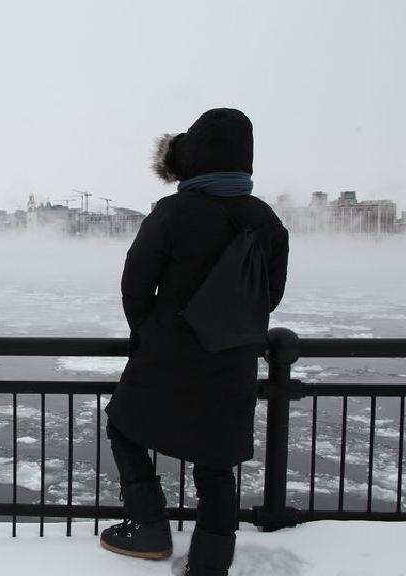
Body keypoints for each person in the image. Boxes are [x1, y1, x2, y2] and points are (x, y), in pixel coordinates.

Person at [99, 108, 289, 576]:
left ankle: (147, 526)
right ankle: (210, 561)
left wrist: (148, 332)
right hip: (232, 358)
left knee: (124, 427)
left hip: (167, 355)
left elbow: (135, 283)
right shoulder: (266, 221)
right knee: (215, 462)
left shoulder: (174, 212)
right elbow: (273, 294)